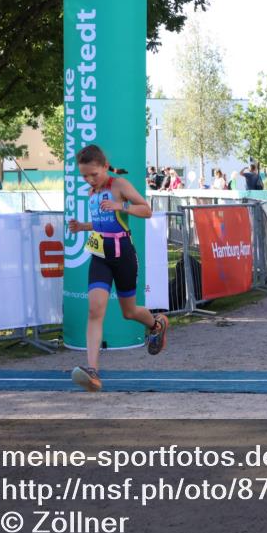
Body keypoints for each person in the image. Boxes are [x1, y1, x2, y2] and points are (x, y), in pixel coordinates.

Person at [66, 144, 169, 392]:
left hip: (123, 255)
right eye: (84, 176)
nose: (90, 180)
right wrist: (82, 226)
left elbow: (146, 209)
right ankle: (93, 372)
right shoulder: (92, 192)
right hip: (100, 256)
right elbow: (103, 222)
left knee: (129, 312)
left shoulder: (118, 186)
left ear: (104, 167)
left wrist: (121, 206)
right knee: (95, 309)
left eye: (94, 174)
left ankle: (156, 324)